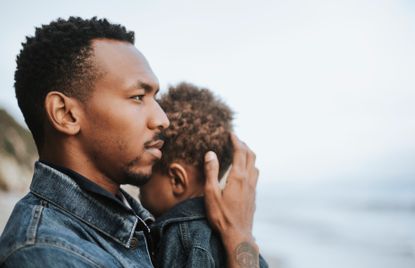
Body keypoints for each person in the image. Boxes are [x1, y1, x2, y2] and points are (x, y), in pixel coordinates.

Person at [0, 17, 260, 267]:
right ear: (65, 114)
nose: (163, 119)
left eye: (155, 98)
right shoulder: (46, 253)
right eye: (138, 97)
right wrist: (240, 238)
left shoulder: (137, 221)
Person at [139, 82, 268, 267]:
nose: (140, 183)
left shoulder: (181, 235)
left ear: (177, 179)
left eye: (150, 167)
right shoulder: (244, 243)